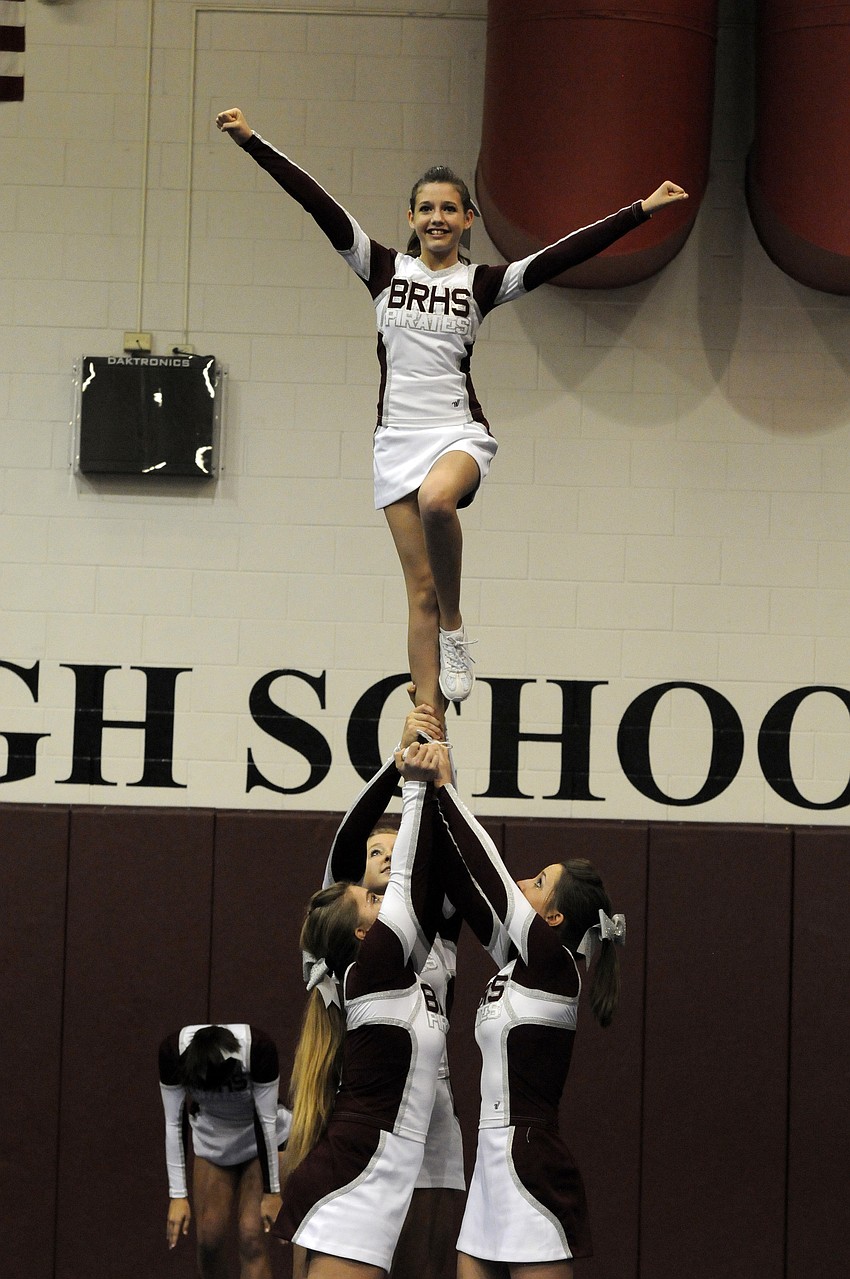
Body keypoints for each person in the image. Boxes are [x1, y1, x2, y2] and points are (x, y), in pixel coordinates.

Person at [215, 106, 688, 729]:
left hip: (457, 433)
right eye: (426, 209)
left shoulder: (484, 283)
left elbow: (562, 255)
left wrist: (640, 211)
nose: (437, 218)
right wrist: (252, 142)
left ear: (469, 220)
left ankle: (457, 629)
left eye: (449, 209)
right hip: (395, 440)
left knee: (439, 503)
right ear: (411, 218)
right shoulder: (382, 269)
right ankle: (428, 719)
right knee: (419, 593)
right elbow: (317, 203)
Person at [419, 747, 625, 1279]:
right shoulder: (519, 962)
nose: (521, 883)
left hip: (531, 1159)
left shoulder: (555, 966)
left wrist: (446, 786)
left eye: (536, 883)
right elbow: (467, 884)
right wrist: (424, 792)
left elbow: (489, 875)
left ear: (553, 918)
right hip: (490, 1155)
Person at [276, 739, 451, 1279]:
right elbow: (378, 864)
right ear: (359, 931)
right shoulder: (370, 962)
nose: (386, 866)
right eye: (372, 894)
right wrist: (412, 777)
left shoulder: (410, 945)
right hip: (363, 1158)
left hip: (401, 1137)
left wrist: (429, 763)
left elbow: (437, 865)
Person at [323, 704, 465, 1279]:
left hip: (434, 1105)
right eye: (374, 853)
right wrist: (399, 763)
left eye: (395, 849)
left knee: (423, 1267)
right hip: (366, 1104)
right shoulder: (350, 928)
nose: (385, 858)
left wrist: (437, 770)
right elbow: (343, 846)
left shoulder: (436, 921)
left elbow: (453, 848)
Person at [158, 1023, 291, 1279]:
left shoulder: (257, 1048)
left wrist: (272, 1192)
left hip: (262, 1139)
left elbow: (266, 1121)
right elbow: (174, 1122)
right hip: (213, 1140)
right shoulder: (172, 1053)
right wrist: (177, 1196)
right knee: (209, 1239)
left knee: (251, 1236)